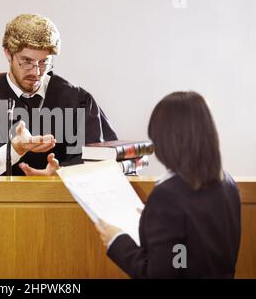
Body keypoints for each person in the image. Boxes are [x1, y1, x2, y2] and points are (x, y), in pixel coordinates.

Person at [0, 14, 117, 175]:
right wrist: (14, 150)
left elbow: (101, 161)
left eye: (44, 62)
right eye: (26, 61)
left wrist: (60, 174)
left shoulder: (77, 101)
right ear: (8, 53)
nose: (36, 72)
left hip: (60, 201)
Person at [95, 91, 241, 278]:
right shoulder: (228, 184)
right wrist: (153, 220)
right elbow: (191, 245)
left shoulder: (167, 196)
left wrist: (117, 241)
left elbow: (160, 274)